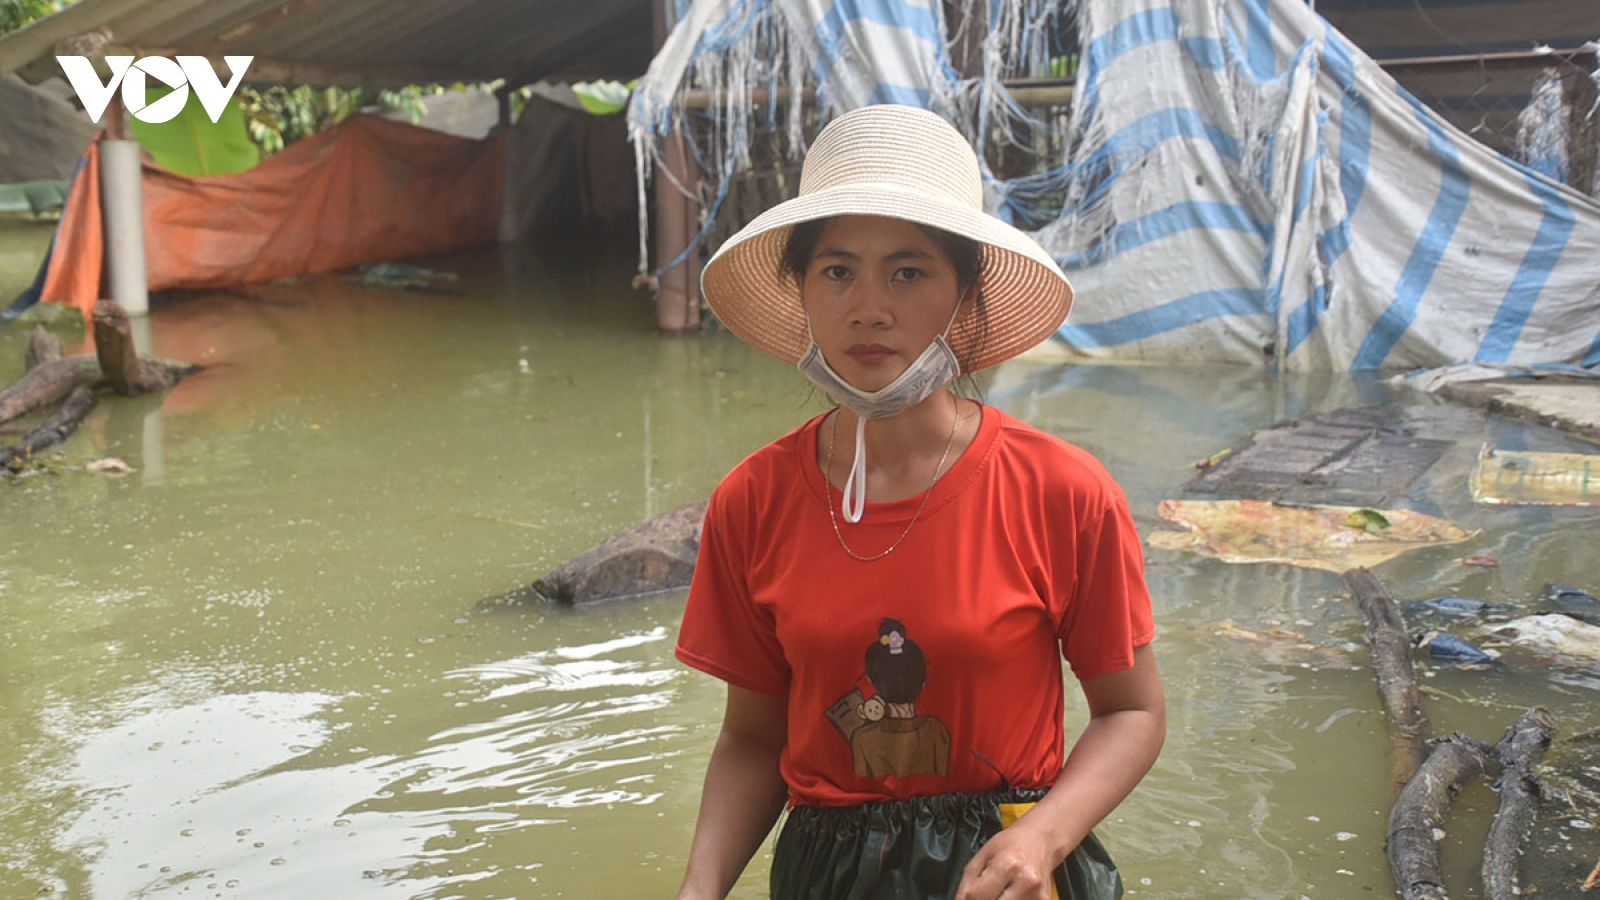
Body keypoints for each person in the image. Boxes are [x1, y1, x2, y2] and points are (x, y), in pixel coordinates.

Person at [672, 104, 1165, 900]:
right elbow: (752, 737)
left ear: (964, 294)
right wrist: (698, 892)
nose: (869, 307)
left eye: (908, 272)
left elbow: (1132, 713)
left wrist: (1043, 836)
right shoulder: (751, 501)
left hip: (1008, 870)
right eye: (837, 271)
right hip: (827, 872)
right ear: (800, 289)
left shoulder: (1062, 491)